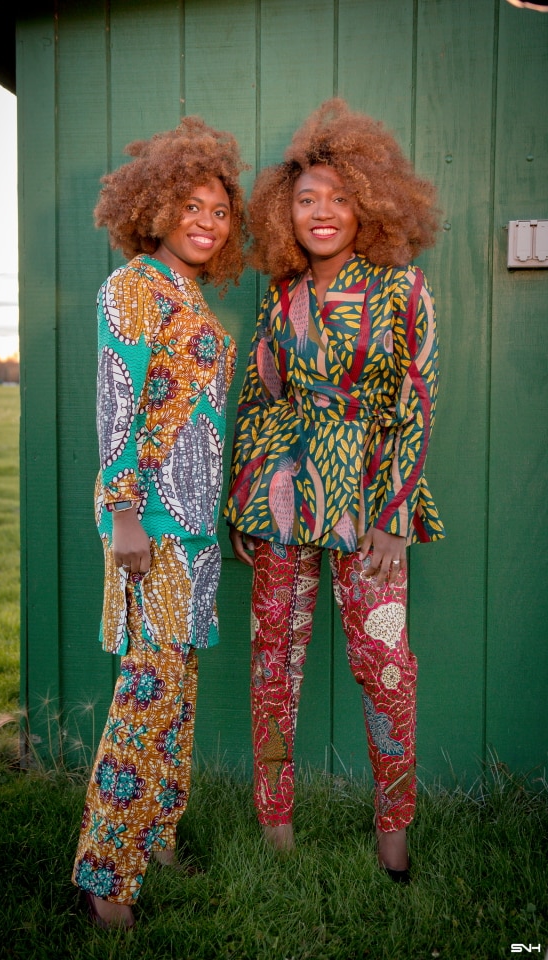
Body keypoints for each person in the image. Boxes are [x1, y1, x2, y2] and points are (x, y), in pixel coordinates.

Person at [224, 99, 444, 881]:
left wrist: (391, 517)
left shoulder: (402, 291)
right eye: (307, 198)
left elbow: (417, 402)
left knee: (386, 665)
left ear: (369, 206)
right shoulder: (281, 297)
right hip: (282, 501)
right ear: (287, 211)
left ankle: (394, 837)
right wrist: (245, 500)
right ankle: (276, 832)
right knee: (272, 664)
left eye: (339, 197)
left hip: (372, 506)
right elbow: (258, 400)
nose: (322, 212)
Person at [72, 116, 247, 928]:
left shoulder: (189, 293)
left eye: (219, 211)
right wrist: (125, 518)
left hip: (195, 532)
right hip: (152, 528)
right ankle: (107, 882)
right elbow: (117, 408)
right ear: (155, 208)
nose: (206, 223)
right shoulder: (135, 287)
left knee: (176, 694)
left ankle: (159, 837)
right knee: (146, 693)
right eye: (192, 207)